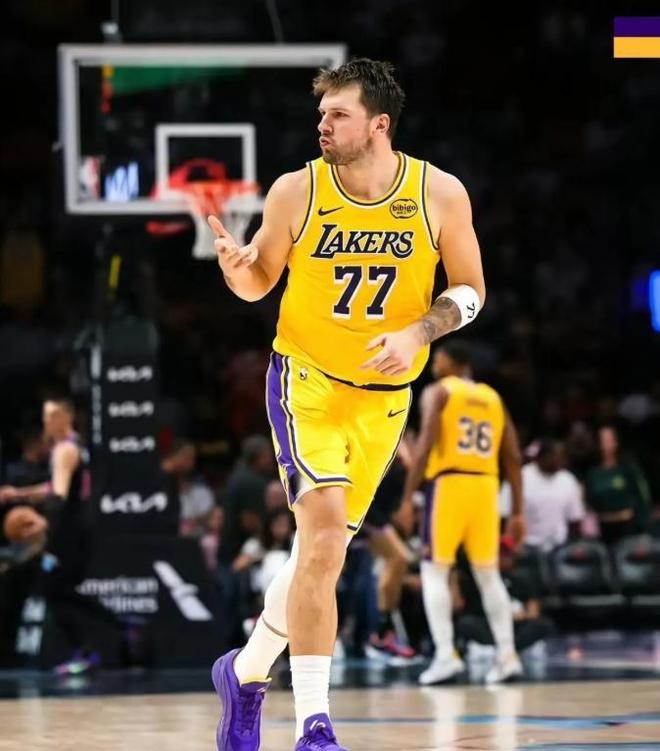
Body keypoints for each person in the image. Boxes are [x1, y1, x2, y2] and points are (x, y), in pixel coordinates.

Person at [209, 58, 485, 751]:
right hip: (306, 381)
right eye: (321, 114)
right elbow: (260, 281)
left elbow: (471, 291)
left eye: (338, 114)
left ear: (379, 124)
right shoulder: (296, 190)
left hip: (385, 400)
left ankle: (243, 672)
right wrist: (240, 275)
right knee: (326, 539)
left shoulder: (438, 193)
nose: (323, 125)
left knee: (319, 555)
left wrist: (419, 330)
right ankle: (315, 725)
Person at [400, 340, 525, 685]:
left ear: (452, 363)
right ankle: (507, 655)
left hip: (449, 484)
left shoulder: (439, 392)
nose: (433, 365)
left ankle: (445, 656)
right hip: (486, 486)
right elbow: (513, 456)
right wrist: (517, 511)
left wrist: (408, 497)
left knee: (434, 571)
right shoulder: (493, 397)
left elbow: (424, 446)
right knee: (488, 574)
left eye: (437, 359)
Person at [0, 397, 106, 673]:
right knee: (62, 590)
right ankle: (122, 625)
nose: (46, 422)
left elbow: (58, 495)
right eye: (45, 416)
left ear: (66, 417)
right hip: (80, 528)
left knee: (51, 588)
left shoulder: (62, 450)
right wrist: (19, 494)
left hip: (67, 533)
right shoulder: (77, 445)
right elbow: (55, 485)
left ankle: (90, 650)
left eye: (51, 415)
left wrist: (42, 526)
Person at [585, 425, 652, 545]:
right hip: (604, 528)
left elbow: (642, 498)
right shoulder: (593, 473)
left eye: (608, 440)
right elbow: (589, 502)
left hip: (627, 526)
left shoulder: (628, 469)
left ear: (616, 442)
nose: (605, 444)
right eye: (602, 440)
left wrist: (643, 525)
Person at [522, 439, 584, 551]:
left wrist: (575, 545)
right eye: (555, 456)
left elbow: (575, 519)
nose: (560, 461)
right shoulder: (521, 477)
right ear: (541, 457)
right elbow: (504, 515)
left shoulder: (568, 479)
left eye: (562, 457)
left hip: (559, 546)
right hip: (526, 546)